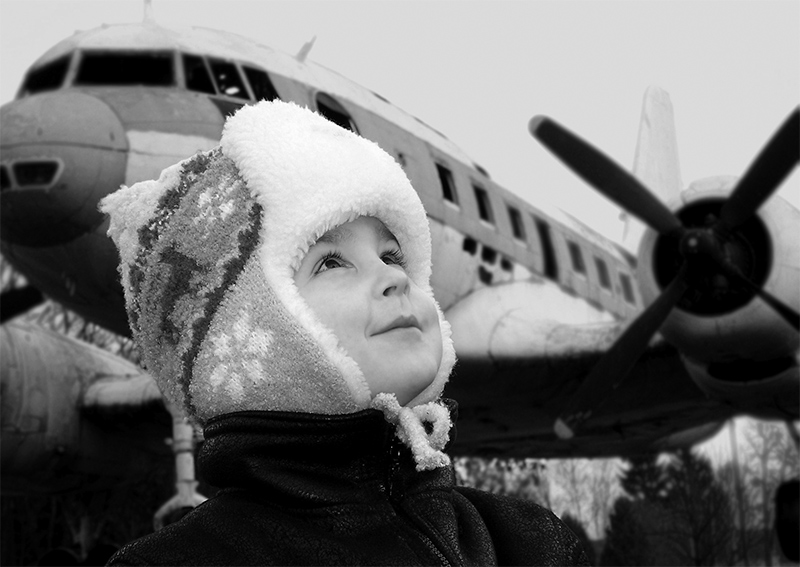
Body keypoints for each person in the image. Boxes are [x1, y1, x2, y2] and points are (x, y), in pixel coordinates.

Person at [100, 100, 589, 566]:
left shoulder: (530, 542)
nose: (396, 277)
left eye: (392, 255)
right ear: (251, 323)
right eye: (331, 262)